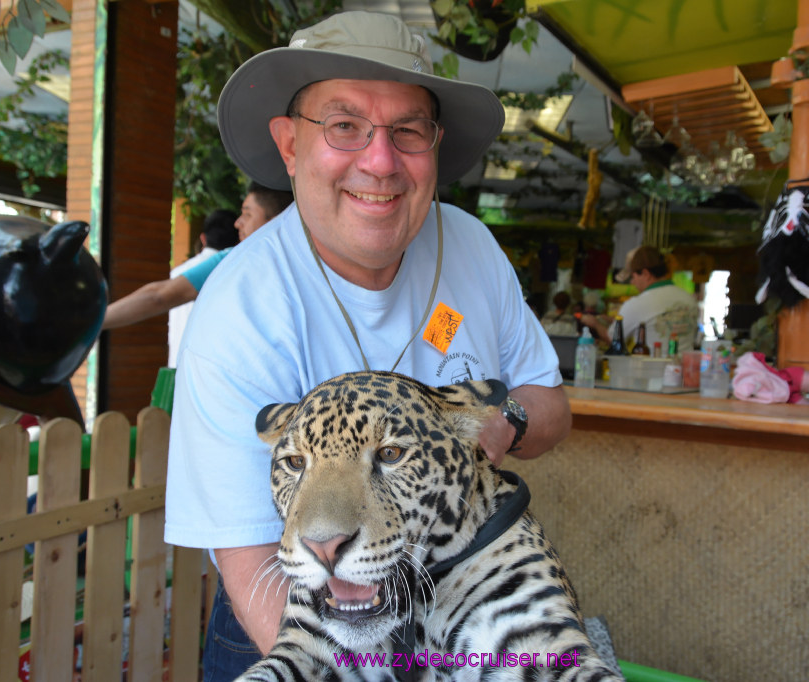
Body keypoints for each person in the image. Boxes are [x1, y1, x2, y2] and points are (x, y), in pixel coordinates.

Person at [162, 12, 572, 680]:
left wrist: (503, 421)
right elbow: (248, 553)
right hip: (303, 618)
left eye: (407, 130)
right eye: (344, 126)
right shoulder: (240, 306)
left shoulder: (471, 246)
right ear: (290, 146)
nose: (380, 162)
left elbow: (550, 403)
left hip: (466, 601)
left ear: (434, 145)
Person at [100, 183, 292, 353]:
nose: (238, 222)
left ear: (276, 221)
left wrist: (93, 321)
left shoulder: (237, 261)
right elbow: (158, 295)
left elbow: (158, 296)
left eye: (247, 214)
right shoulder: (235, 260)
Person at [581, 245, 699, 352]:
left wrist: (595, 323)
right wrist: (615, 321)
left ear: (646, 274)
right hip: (687, 371)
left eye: (633, 276)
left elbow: (613, 339)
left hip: (653, 372)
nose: (632, 282)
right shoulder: (688, 299)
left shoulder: (638, 303)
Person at [167, 209, 239, 367]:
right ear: (238, 240)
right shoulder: (233, 270)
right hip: (209, 371)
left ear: (203, 239)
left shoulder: (176, 274)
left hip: (174, 367)